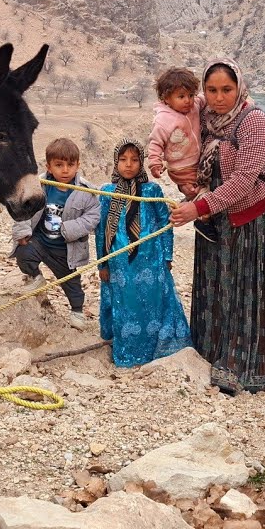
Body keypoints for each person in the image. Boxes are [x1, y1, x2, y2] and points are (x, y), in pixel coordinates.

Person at [170, 61, 265, 394]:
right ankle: (211, 354)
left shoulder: (254, 121)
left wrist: (197, 208)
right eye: (211, 90)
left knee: (243, 291)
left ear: (239, 88)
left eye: (226, 90)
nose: (219, 98)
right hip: (214, 218)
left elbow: (243, 180)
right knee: (216, 287)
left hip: (249, 220)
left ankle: (245, 368)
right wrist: (190, 191)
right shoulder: (204, 122)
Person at [96, 140, 193, 367]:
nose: (128, 165)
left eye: (134, 160)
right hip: (120, 264)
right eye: (123, 160)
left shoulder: (152, 191)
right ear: (115, 162)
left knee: (154, 304)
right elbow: (101, 230)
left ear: (141, 163)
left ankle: (159, 350)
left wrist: (167, 256)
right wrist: (103, 265)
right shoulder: (107, 193)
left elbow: (165, 224)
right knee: (125, 306)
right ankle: (128, 355)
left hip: (151, 260)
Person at [11, 138, 101, 330]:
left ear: (78, 165)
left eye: (70, 165)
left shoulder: (85, 191)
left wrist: (71, 228)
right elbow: (24, 209)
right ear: (49, 166)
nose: (65, 170)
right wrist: (23, 231)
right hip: (41, 242)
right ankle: (35, 278)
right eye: (59, 165)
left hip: (65, 250)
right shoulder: (39, 185)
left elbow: (93, 216)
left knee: (71, 283)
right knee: (23, 253)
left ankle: (77, 310)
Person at [147, 66, 203, 200]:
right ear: (166, 98)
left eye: (190, 95)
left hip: (196, 161)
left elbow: (204, 98)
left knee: (200, 187)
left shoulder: (194, 106)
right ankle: (200, 211)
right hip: (180, 167)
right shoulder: (164, 120)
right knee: (195, 190)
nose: (187, 100)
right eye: (181, 96)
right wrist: (155, 163)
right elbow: (156, 142)